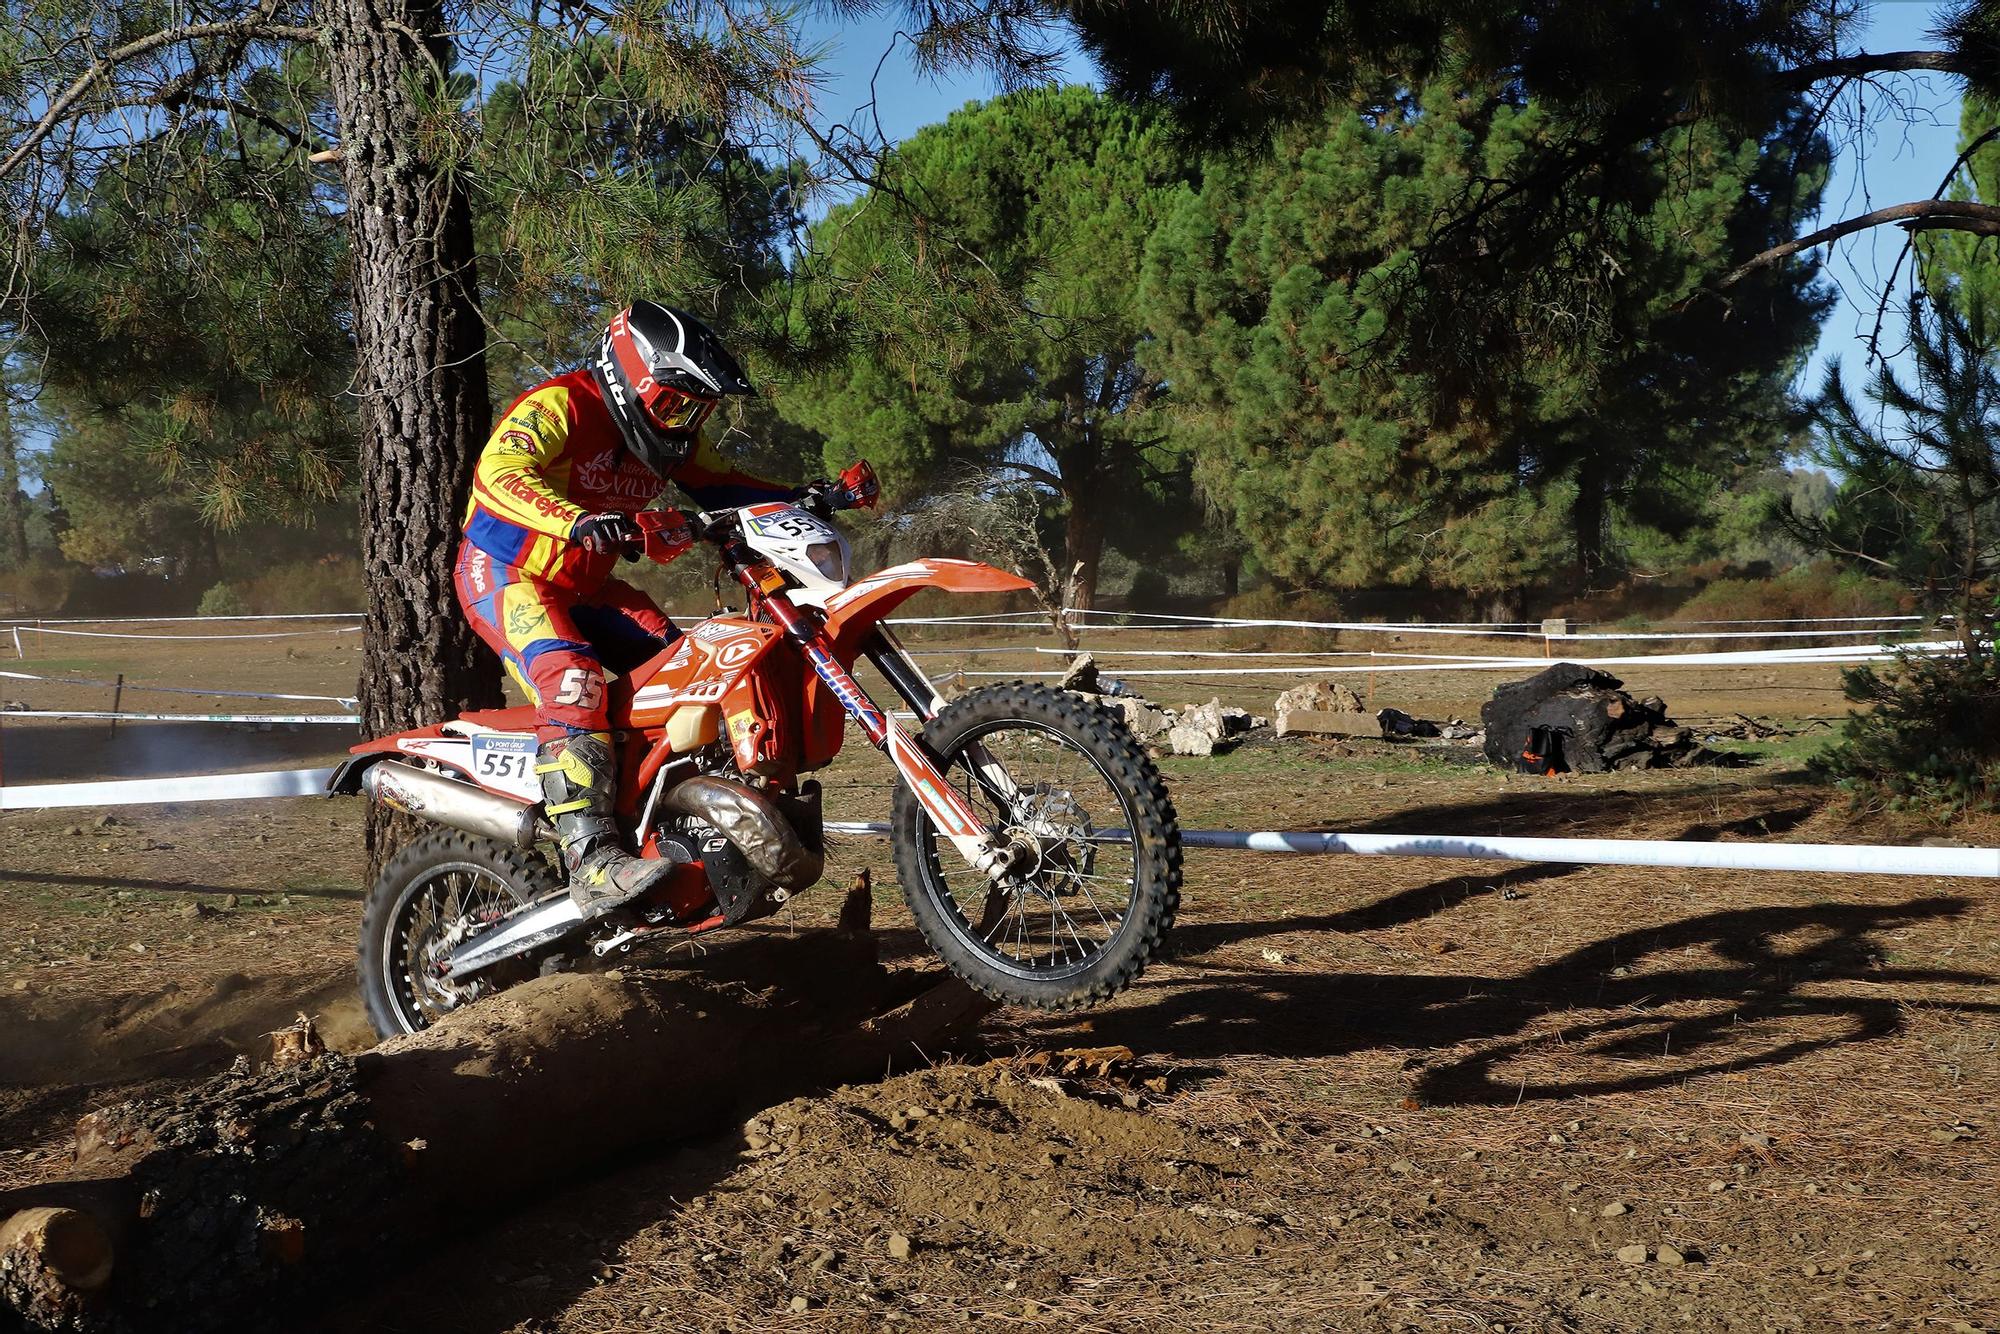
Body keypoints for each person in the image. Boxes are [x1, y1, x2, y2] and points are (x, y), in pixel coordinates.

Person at [454, 301, 873, 917]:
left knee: (684, 681)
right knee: (573, 684)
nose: (684, 424)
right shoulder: (560, 405)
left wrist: (810, 496)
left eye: (698, 411)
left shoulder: (669, 445)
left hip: (588, 585)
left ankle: (668, 829)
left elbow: (727, 484)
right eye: (676, 404)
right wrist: (577, 520)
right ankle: (591, 859)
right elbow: (500, 475)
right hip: (507, 574)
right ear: (631, 378)